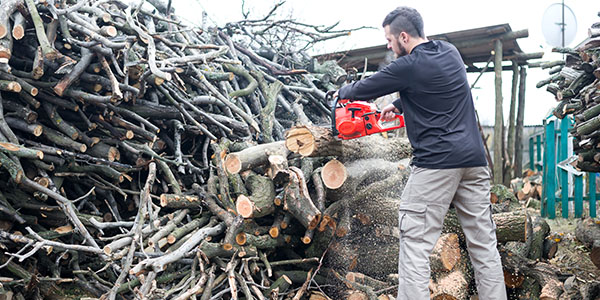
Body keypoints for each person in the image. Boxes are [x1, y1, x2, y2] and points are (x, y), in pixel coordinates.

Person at [334, 6, 507, 300]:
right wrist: (401, 104)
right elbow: (441, 85)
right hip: (474, 162)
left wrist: (341, 92)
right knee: (483, 243)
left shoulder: (407, 66)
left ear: (403, 36)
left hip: (436, 165)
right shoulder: (449, 52)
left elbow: (365, 88)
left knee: (415, 244)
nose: (388, 46)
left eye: (389, 40)